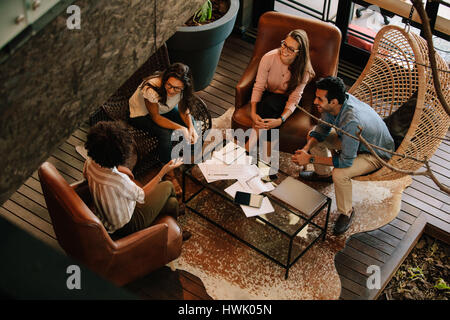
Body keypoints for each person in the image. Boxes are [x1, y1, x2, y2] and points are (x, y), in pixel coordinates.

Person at [292, 76, 395, 235]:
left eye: (319, 99)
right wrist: (306, 149)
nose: (314, 102)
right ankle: (322, 174)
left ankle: (346, 212)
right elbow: (322, 130)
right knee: (312, 136)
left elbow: (346, 161)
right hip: (352, 140)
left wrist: (310, 159)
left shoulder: (351, 121)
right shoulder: (335, 104)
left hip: (375, 154)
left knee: (340, 174)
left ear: (333, 101)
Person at [83, 121, 191, 240]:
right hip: (126, 225)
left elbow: (86, 176)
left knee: (172, 203)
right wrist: (163, 171)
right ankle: (176, 235)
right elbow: (142, 194)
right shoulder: (119, 181)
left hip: (108, 216)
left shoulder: (90, 163)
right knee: (168, 186)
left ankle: (175, 222)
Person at [128, 62, 200, 193]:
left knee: (193, 123)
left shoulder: (182, 89)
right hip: (142, 114)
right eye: (169, 85)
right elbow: (155, 117)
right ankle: (169, 174)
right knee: (165, 134)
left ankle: (190, 155)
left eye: (177, 88)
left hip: (164, 108)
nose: (172, 91)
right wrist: (180, 128)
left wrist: (190, 127)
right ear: (165, 79)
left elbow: (184, 109)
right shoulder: (151, 88)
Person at [246, 29, 315, 160]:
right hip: (267, 94)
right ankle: (267, 158)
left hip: (285, 100)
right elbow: (259, 86)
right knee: (268, 105)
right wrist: (253, 112)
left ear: (299, 53)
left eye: (291, 49)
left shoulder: (304, 71)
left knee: (270, 105)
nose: (284, 50)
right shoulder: (268, 58)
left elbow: (294, 99)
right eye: (284, 44)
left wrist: (280, 120)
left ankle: (249, 148)